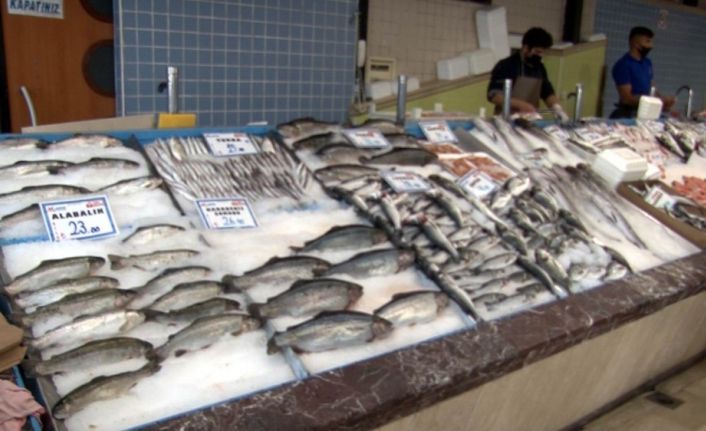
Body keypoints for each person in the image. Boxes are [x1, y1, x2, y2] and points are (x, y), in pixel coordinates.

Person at [487, 27, 568, 120]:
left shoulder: (539, 68)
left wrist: (557, 107)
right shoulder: (506, 65)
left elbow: (547, 92)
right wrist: (522, 105)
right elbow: (494, 96)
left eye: (542, 52)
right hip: (506, 119)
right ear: (525, 48)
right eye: (537, 52)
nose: (540, 56)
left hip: (531, 119)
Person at [610, 26, 675, 118]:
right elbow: (626, 98)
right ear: (636, 44)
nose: (651, 46)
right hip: (629, 113)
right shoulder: (623, 65)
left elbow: (652, 88)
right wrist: (658, 101)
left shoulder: (647, 63)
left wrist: (663, 102)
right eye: (647, 42)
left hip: (647, 111)